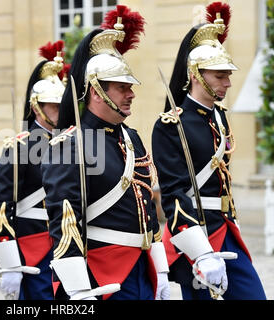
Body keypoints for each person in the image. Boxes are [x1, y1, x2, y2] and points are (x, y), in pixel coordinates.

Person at [41, 5, 170, 300]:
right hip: (99, 275)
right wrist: (78, 288)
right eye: (122, 87)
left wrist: (159, 269)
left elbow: (147, 208)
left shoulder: (132, 138)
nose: (131, 94)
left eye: (130, 86)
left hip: (140, 268)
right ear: (96, 91)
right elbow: (64, 221)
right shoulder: (69, 145)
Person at [151, 2, 266, 300]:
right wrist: (201, 252)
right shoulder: (170, 125)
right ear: (195, 75)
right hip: (197, 236)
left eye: (228, 75)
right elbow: (174, 196)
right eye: (219, 76)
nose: (227, 83)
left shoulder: (219, 116)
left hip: (226, 229)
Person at [0, 40, 68, 300]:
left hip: (66, 241)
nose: (60, 112)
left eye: (62, 105)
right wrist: (8, 262)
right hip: (33, 244)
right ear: (37, 108)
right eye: (54, 107)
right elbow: (2, 205)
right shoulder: (19, 146)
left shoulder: (72, 141)